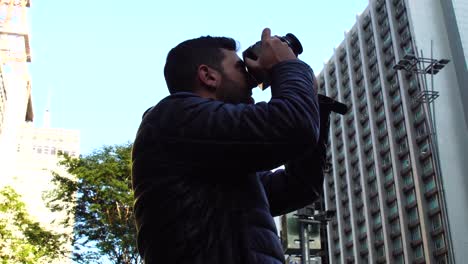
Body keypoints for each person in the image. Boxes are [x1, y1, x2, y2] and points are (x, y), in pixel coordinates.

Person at [132, 28, 328, 264]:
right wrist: (285, 67)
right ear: (208, 76)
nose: (250, 78)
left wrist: (310, 98)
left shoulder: (212, 155)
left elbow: (299, 186)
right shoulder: (174, 117)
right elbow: (294, 126)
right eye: (239, 68)